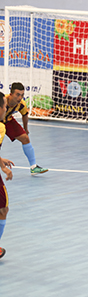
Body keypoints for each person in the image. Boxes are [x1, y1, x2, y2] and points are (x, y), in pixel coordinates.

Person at [4, 82, 48, 176]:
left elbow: (24, 115)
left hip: (8, 121)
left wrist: (25, 129)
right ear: (11, 94)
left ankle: (33, 167)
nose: (20, 98)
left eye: (22, 95)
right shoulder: (2, 101)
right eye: (17, 95)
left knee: (25, 138)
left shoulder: (21, 104)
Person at [0, 92, 15, 259]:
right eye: (4, 106)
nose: (6, 109)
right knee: (3, 209)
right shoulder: (1, 127)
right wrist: (3, 167)